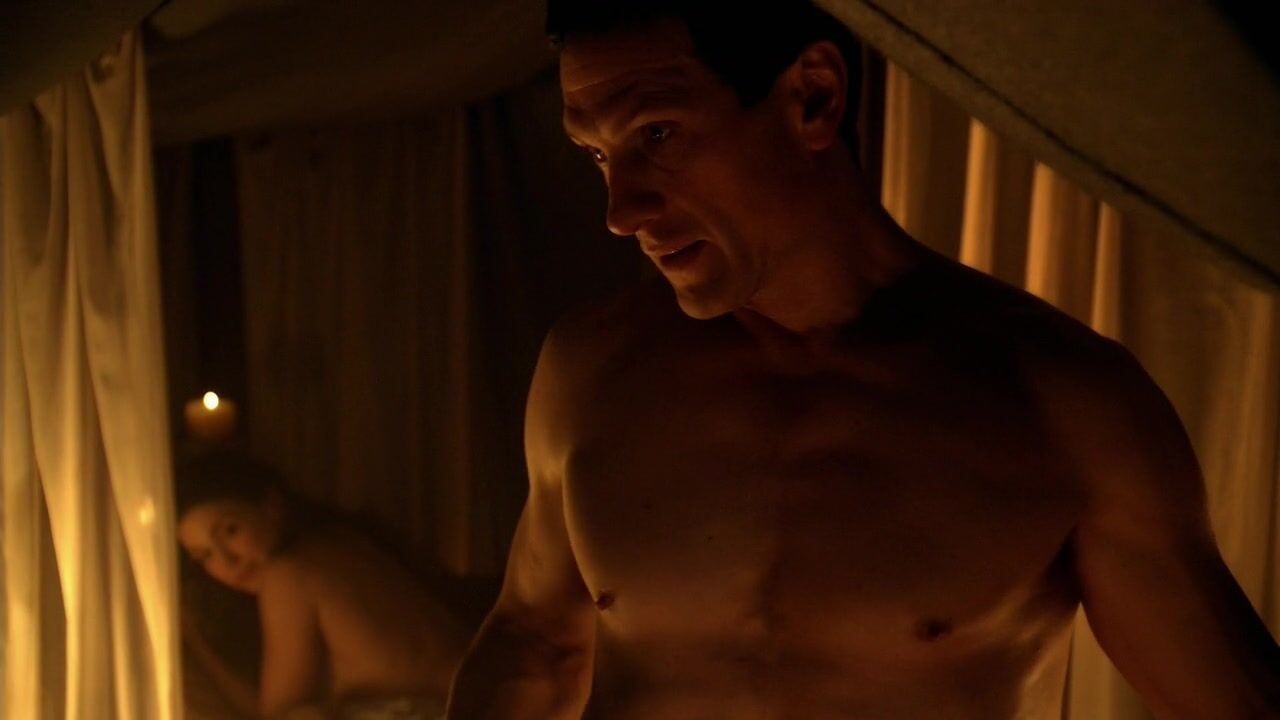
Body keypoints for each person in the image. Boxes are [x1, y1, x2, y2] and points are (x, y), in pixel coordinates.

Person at [445, 1, 1280, 718]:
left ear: (812, 97)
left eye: (656, 134)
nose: (621, 210)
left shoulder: (1064, 402)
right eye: (597, 154)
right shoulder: (591, 369)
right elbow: (533, 647)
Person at [176, 450, 470, 720]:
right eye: (204, 556)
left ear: (271, 506)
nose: (227, 561)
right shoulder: (341, 545)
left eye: (230, 531)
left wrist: (197, 645)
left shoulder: (289, 574)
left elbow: (278, 715)